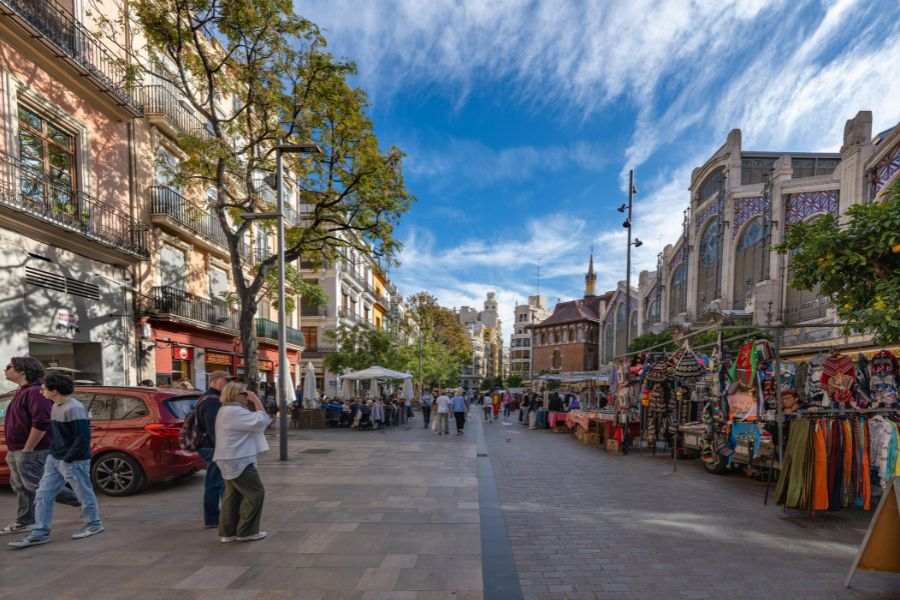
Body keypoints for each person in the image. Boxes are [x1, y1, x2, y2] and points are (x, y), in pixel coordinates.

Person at [8, 374, 103, 549]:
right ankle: (40, 532)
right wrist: (53, 455)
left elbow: (82, 439)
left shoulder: (74, 408)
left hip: (74, 460)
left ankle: (94, 524)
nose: (41, 391)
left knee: (83, 493)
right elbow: (58, 436)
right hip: (55, 458)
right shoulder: (55, 406)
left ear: (55, 391)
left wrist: (67, 459)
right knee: (43, 495)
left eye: (44, 388)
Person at [1, 357, 79, 537]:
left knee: (39, 486)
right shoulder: (23, 391)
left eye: (9, 366)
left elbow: (42, 421)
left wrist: (28, 448)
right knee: (21, 488)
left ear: (22, 370)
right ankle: (25, 521)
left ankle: (83, 501)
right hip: (17, 450)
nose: (6, 369)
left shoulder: (36, 392)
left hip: (32, 451)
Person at [214, 382, 270, 542]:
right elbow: (261, 421)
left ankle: (228, 532)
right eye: (244, 394)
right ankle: (247, 531)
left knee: (232, 496)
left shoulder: (226, 410)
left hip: (230, 457)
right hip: (238, 459)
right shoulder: (233, 411)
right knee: (255, 493)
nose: (247, 396)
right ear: (235, 395)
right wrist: (257, 400)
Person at [196, 371, 230, 529]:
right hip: (212, 447)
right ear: (215, 381)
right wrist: (222, 449)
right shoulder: (212, 401)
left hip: (210, 446)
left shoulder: (209, 398)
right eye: (226, 381)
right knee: (215, 484)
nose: (228, 384)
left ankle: (220, 516)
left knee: (219, 483)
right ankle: (212, 519)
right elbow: (214, 428)